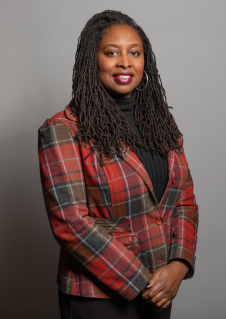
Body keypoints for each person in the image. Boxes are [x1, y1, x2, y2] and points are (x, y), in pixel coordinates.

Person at [38, 10, 199, 319]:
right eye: (112, 52)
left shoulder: (160, 121)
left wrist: (179, 265)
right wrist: (145, 282)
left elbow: (184, 200)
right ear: (92, 60)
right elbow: (71, 223)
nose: (125, 61)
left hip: (162, 287)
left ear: (144, 61)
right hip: (99, 297)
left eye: (134, 53)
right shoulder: (62, 129)